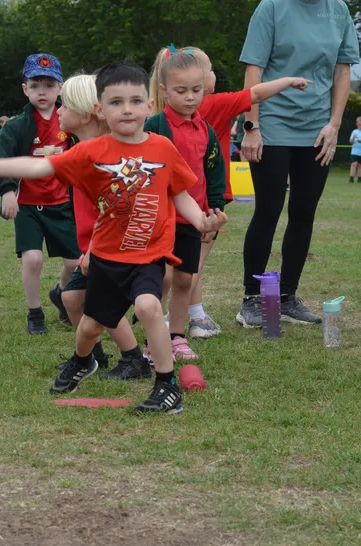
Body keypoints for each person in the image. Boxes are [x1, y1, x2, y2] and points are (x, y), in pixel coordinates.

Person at [0, 62, 227, 413]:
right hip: (107, 260)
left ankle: (167, 386)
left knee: (149, 307)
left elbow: (180, 194)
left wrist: (200, 220)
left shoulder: (163, 148)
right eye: (116, 102)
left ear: (149, 106)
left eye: (135, 101)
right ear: (100, 109)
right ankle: (82, 361)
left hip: (148, 256)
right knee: (89, 328)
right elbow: (39, 167)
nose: (127, 109)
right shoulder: (91, 152)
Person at [149, 45, 312, 339]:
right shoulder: (213, 105)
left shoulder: (181, 117)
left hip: (192, 204)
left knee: (183, 269)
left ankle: (189, 318)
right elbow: (256, 94)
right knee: (188, 268)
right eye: (210, 69)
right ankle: (177, 322)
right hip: (197, 207)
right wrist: (288, 81)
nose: (212, 76)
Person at [238, 0, 359, 328]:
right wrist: (252, 127)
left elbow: (343, 70)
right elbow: (253, 71)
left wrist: (334, 124)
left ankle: (287, 296)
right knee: (268, 210)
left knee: (304, 213)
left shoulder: (339, 10)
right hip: (271, 123)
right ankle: (251, 300)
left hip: (317, 128)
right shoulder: (271, 7)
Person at [57, 73, 152, 381]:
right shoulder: (82, 152)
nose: (58, 111)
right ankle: (91, 356)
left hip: (109, 249)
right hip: (94, 247)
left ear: (85, 114)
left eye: (64, 105)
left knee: (99, 303)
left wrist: (92, 251)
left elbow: (111, 210)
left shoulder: (103, 159)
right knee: (73, 298)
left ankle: (134, 358)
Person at [145, 49, 226, 362]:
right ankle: (153, 340)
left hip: (193, 219)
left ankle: (176, 336)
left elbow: (214, 172)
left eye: (196, 90)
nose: (190, 97)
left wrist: (213, 210)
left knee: (184, 278)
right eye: (181, 91)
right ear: (164, 91)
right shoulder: (154, 126)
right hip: (159, 219)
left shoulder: (206, 130)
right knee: (160, 280)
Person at [0, 53, 80, 334]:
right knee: (33, 259)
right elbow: (3, 160)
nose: (42, 92)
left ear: (60, 88)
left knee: (75, 263)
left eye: (49, 85)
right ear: (25, 89)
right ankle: (35, 313)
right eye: (35, 85)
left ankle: (61, 294)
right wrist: (7, 191)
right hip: (28, 206)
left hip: (62, 204)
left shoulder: (71, 123)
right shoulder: (17, 126)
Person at [349, 116, 361, 183]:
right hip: (354, 151)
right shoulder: (354, 131)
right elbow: (351, 142)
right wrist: (353, 137)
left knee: (360, 165)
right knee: (354, 164)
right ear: (357, 124)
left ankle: (359, 179)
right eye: (359, 124)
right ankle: (351, 178)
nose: (360, 126)